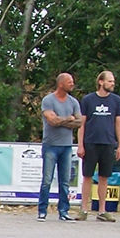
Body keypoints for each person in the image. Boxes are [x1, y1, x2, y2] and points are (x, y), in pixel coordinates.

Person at [76, 70, 120, 221]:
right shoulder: (88, 100)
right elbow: (81, 124)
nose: (112, 84)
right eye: (109, 81)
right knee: (87, 176)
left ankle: (102, 211)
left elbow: (118, 124)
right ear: (101, 82)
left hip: (108, 143)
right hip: (91, 142)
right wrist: (80, 145)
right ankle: (83, 209)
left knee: (104, 177)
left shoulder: (116, 101)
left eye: (113, 81)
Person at [38, 72, 82, 221]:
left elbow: (79, 122)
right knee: (47, 180)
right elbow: (51, 121)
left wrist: (63, 120)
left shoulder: (73, 102)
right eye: (69, 82)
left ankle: (63, 211)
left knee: (65, 181)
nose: (72, 84)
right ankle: (42, 210)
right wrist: (68, 119)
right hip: (50, 145)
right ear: (61, 83)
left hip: (67, 146)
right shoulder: (48, 100)